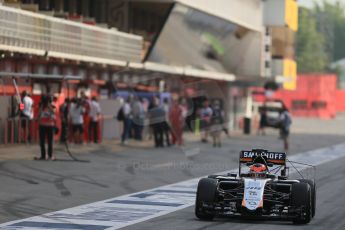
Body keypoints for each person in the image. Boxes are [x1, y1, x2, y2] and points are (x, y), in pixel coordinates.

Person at [34, 95, 56, 161]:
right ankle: (43, 155)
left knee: (50, 141)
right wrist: (41, 107)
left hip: (49, 126)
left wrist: (49, 106)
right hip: (43, 125)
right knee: (42, 141)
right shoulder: (41, 107)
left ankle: (50, 155)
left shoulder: (52, 106)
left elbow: (54, 112)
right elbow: (39, 114)